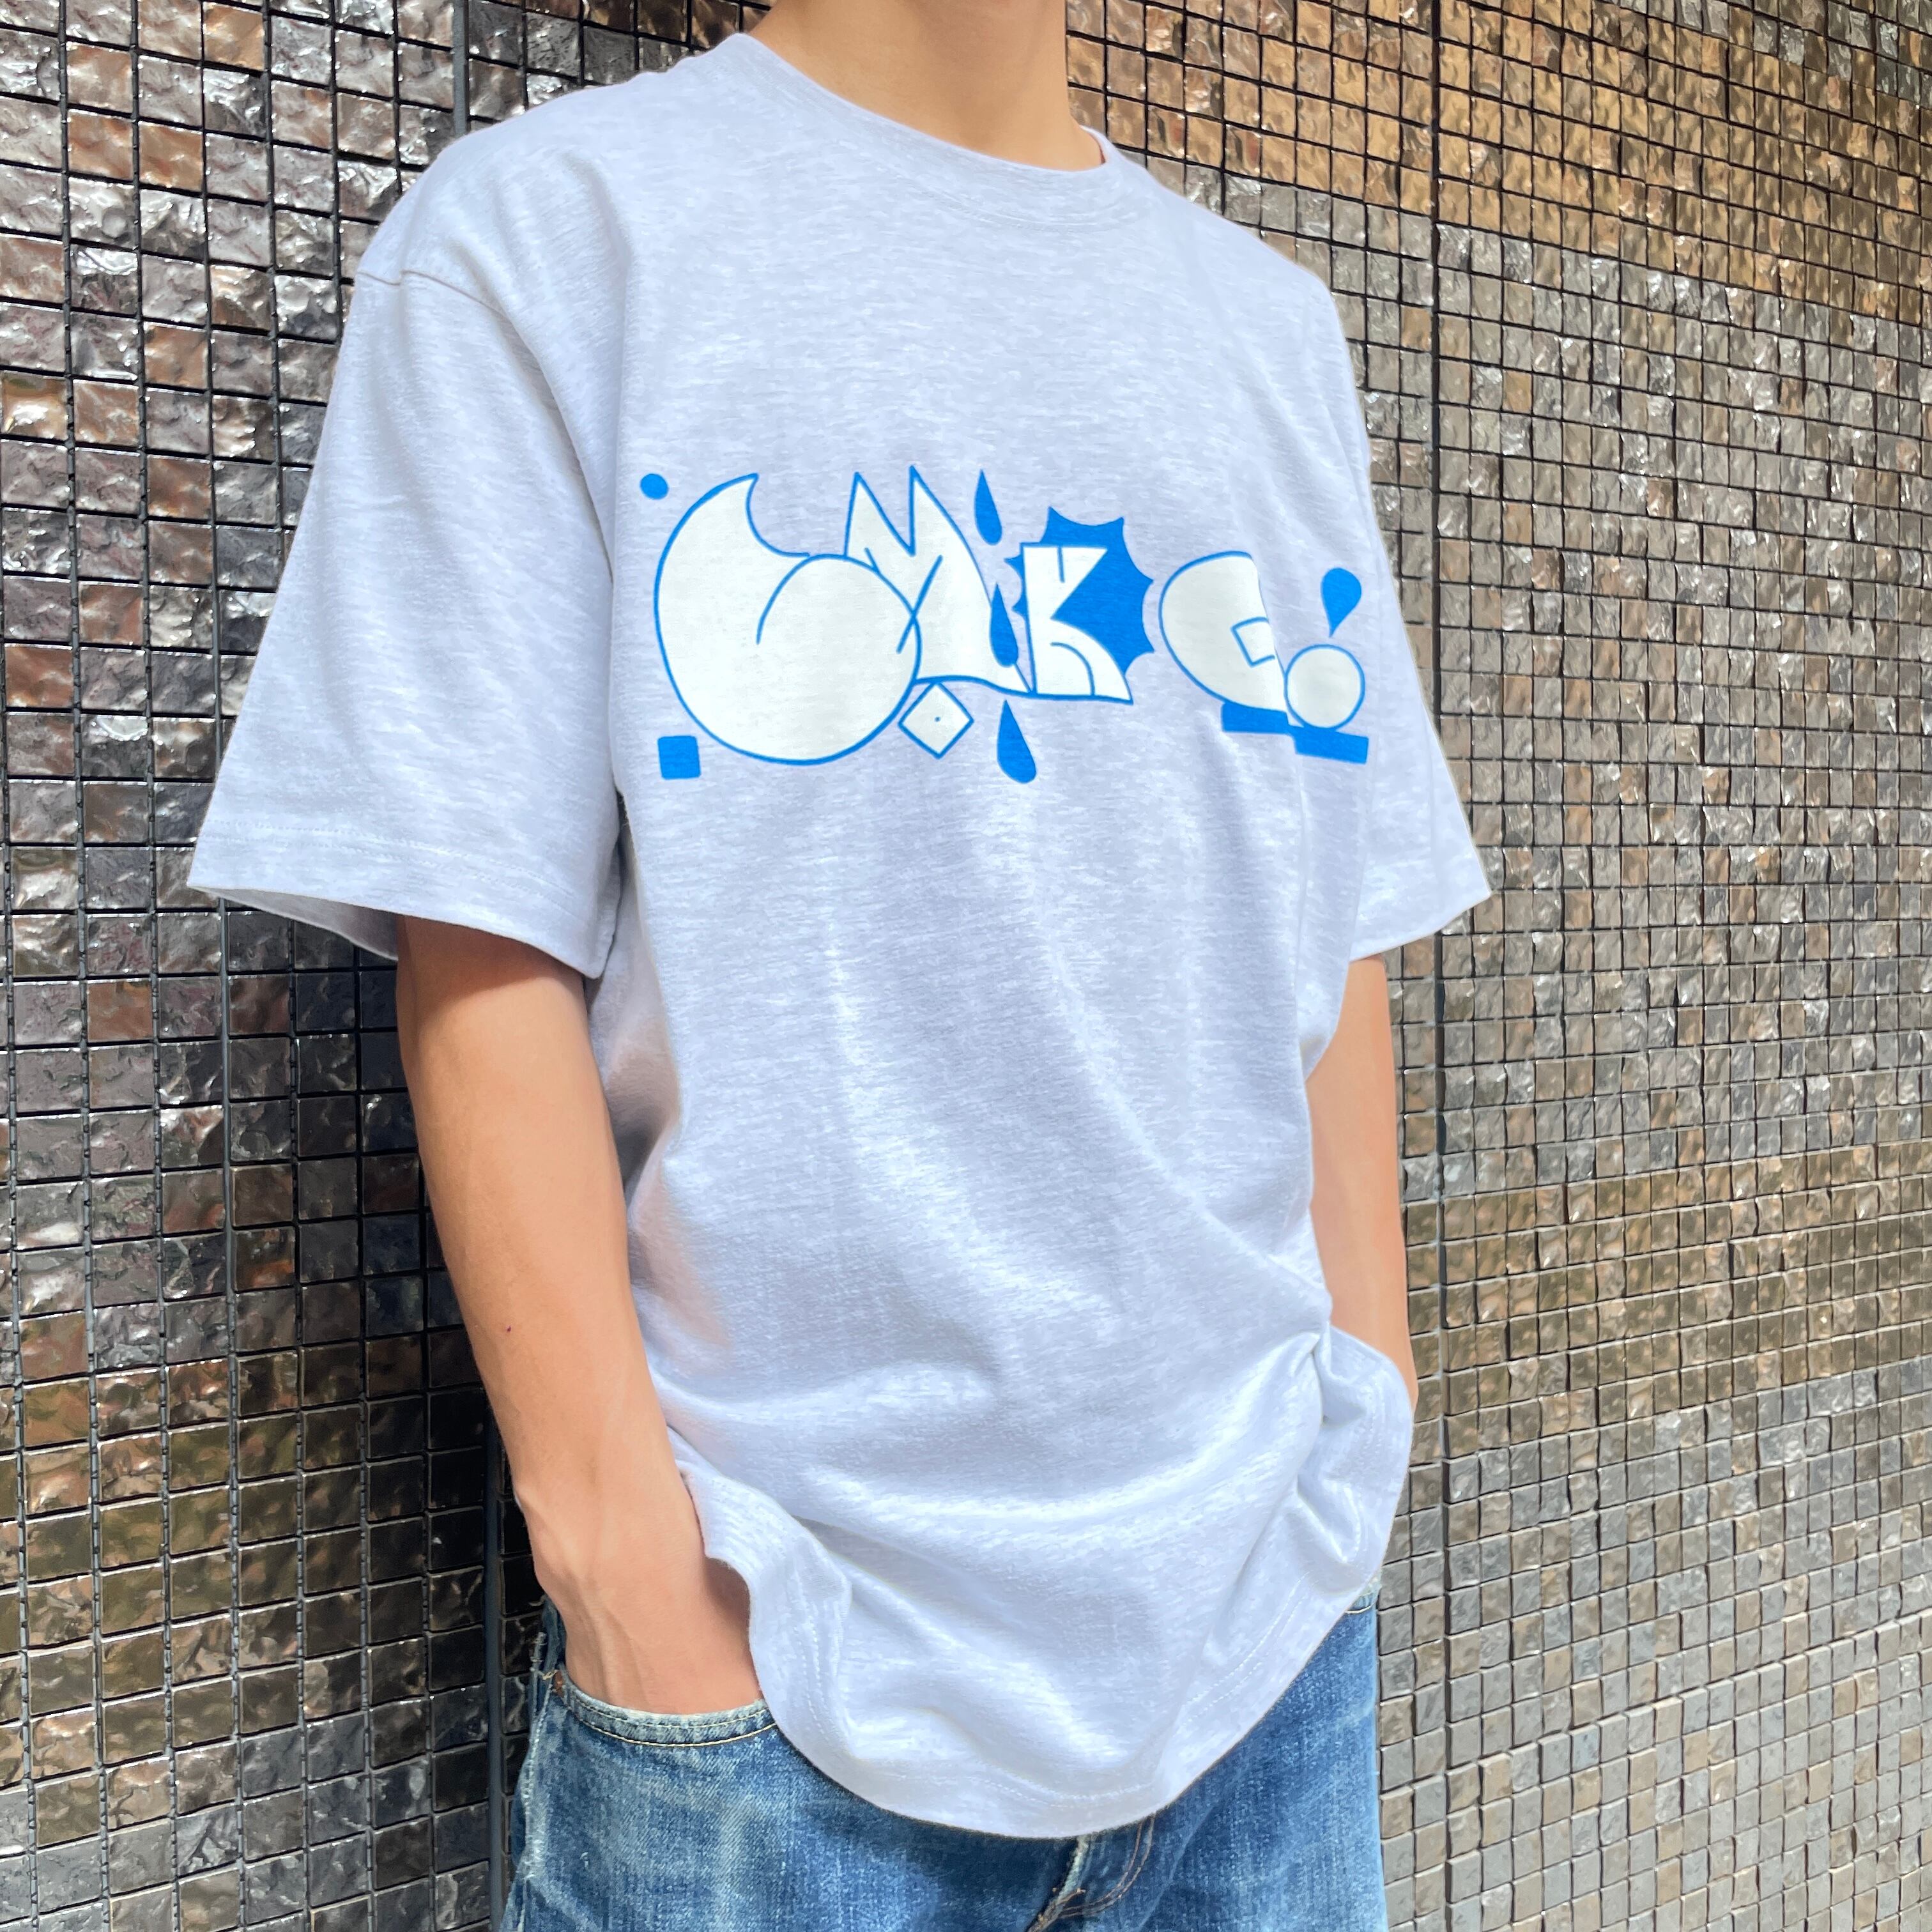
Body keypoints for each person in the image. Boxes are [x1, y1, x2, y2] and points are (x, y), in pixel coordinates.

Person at [188, 0, 1489, 1923]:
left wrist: (1363, 1404)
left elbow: (1337, 892)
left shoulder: (1266, 329)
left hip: (1270, 1659)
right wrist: (635, 1586)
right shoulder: (554, 232)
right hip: (775, 1711)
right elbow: (478, 932)